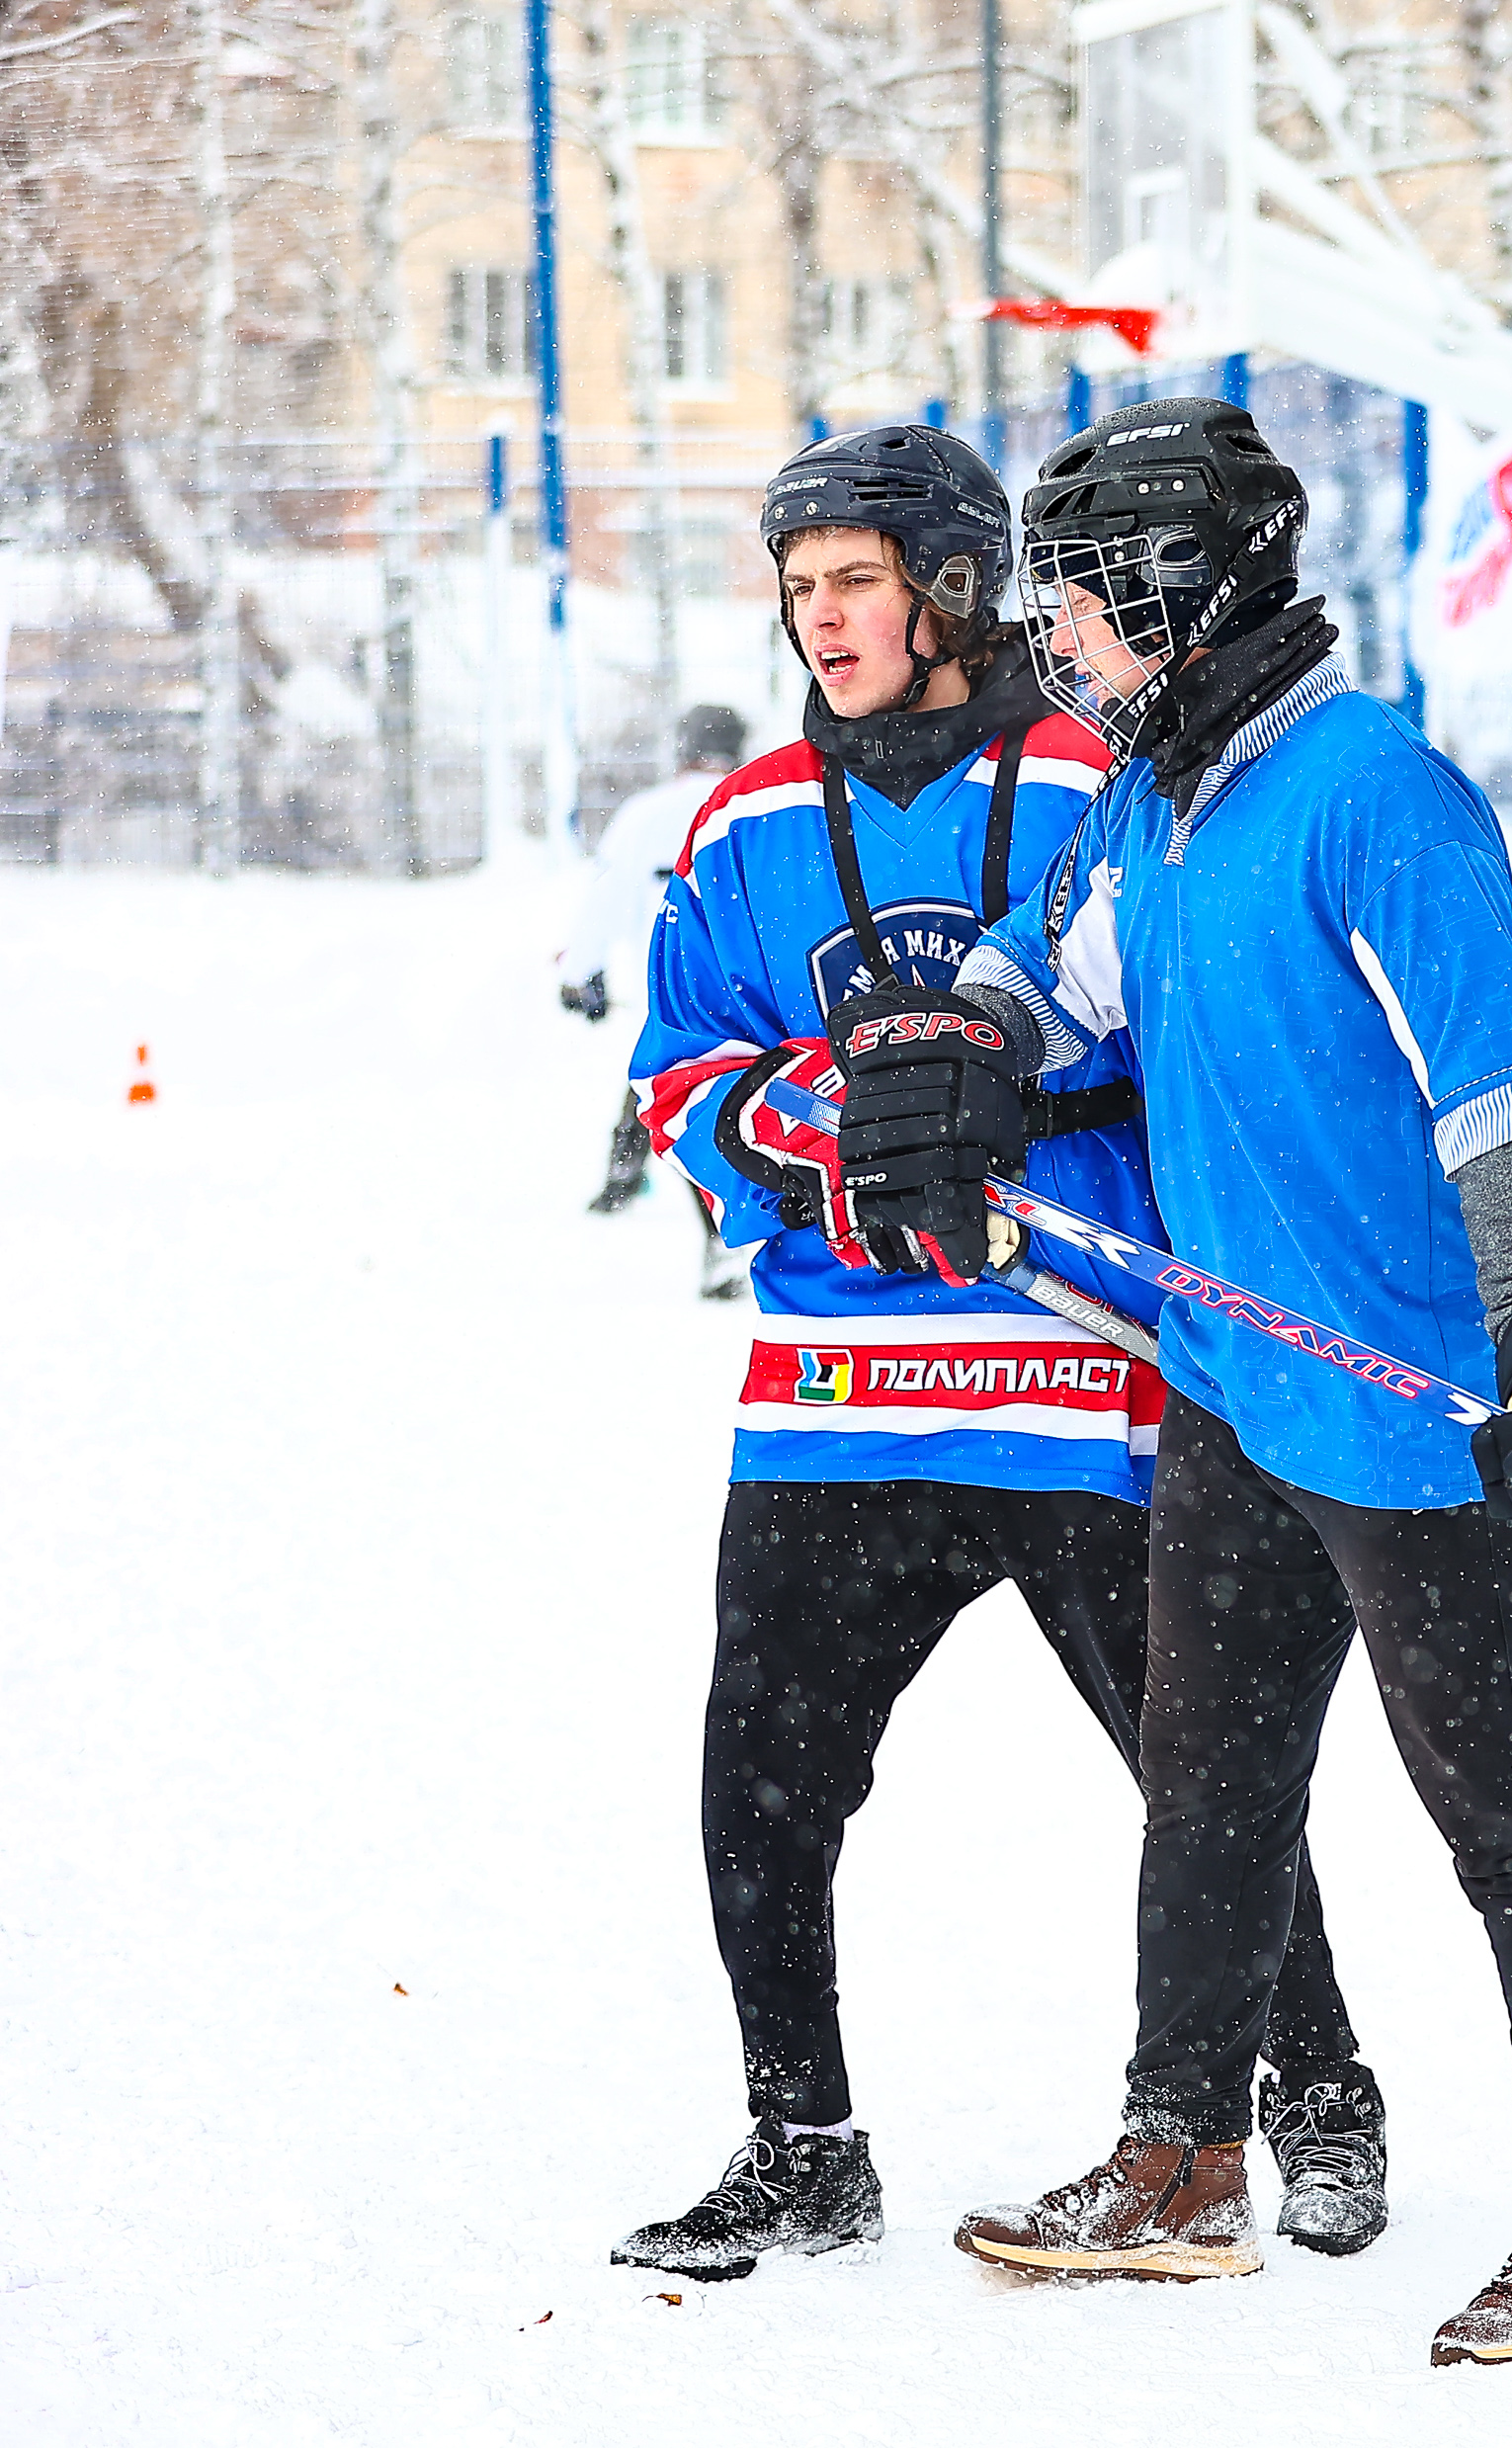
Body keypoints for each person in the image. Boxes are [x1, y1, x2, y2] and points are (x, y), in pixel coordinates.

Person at [828, 398, 1512, 2364]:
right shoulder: (1151, 797)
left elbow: (1499, 1095)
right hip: (1226, 1380)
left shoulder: (1376, 794)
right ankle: (1184, 2152)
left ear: (1178, 598)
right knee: (1206, 1796)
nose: (1052, 636)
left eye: (1079, 602)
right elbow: (1074, 987)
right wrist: (963, 1052)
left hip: (1410, 1408)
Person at [606, 421, 1385, 2280]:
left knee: (1205, 1777)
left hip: (1081, 1378)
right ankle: (803, 2145)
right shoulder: (752, 822)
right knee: (758, 1786)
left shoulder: (1102, 779)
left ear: (954, 584)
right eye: (800, 589)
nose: (823, 620)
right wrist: (806, 1128)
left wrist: (1008, 1108)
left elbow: (1172, 1041)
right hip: (835, 1402)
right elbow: (675, 1075)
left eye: (854, 580)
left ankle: (1320, 2092)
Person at [559, 703, 746, 1294]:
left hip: (673, 988)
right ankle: (637, 1182)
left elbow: (607, 894)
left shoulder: (646, 815)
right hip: (757, 986)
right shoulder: (756, 802)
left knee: (674, 1089)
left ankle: (694, 1219)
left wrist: (581, 973)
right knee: (733, 1102)